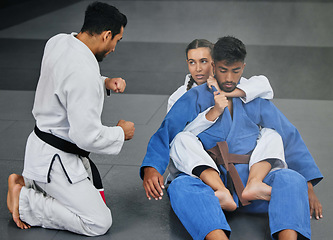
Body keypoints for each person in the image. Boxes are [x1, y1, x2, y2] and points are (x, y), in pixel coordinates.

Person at [141, 36, 323, 240]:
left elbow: (288, 134)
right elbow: (167, 131)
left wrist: (306, 185)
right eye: (222, 70)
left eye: (235, 71)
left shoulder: (254, 100)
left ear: (243, 68)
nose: (229, 78)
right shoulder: (193, 98)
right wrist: (151, 167)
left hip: (253, 191)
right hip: (211, 192)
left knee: (292, 179)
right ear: (214, 66)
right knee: (181, 187)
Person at [7, 2, 135, 236]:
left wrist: (103, 81)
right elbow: (86, 137)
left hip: (41, 145)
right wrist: (120, 132)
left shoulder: (59, 41)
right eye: (117, 40)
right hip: (56, 159)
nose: (115, 48)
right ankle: (25, 199)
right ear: (106, 35)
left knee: (88, 200)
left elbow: (66, 81)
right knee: (98, 222)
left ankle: (30, 183)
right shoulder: (83, 72)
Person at [166, 39, 286, 210]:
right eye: (192, 62)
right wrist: (212, 113)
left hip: (237, 161)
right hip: (201, 163)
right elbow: (174, 138)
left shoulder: (232, 83)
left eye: (204, 61)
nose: (198, 69)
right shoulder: (179, 97)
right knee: (180, 139)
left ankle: (254, 182)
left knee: (272, 134)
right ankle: (220, 190)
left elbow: (263, 84)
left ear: (214, 63)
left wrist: (229, 92)